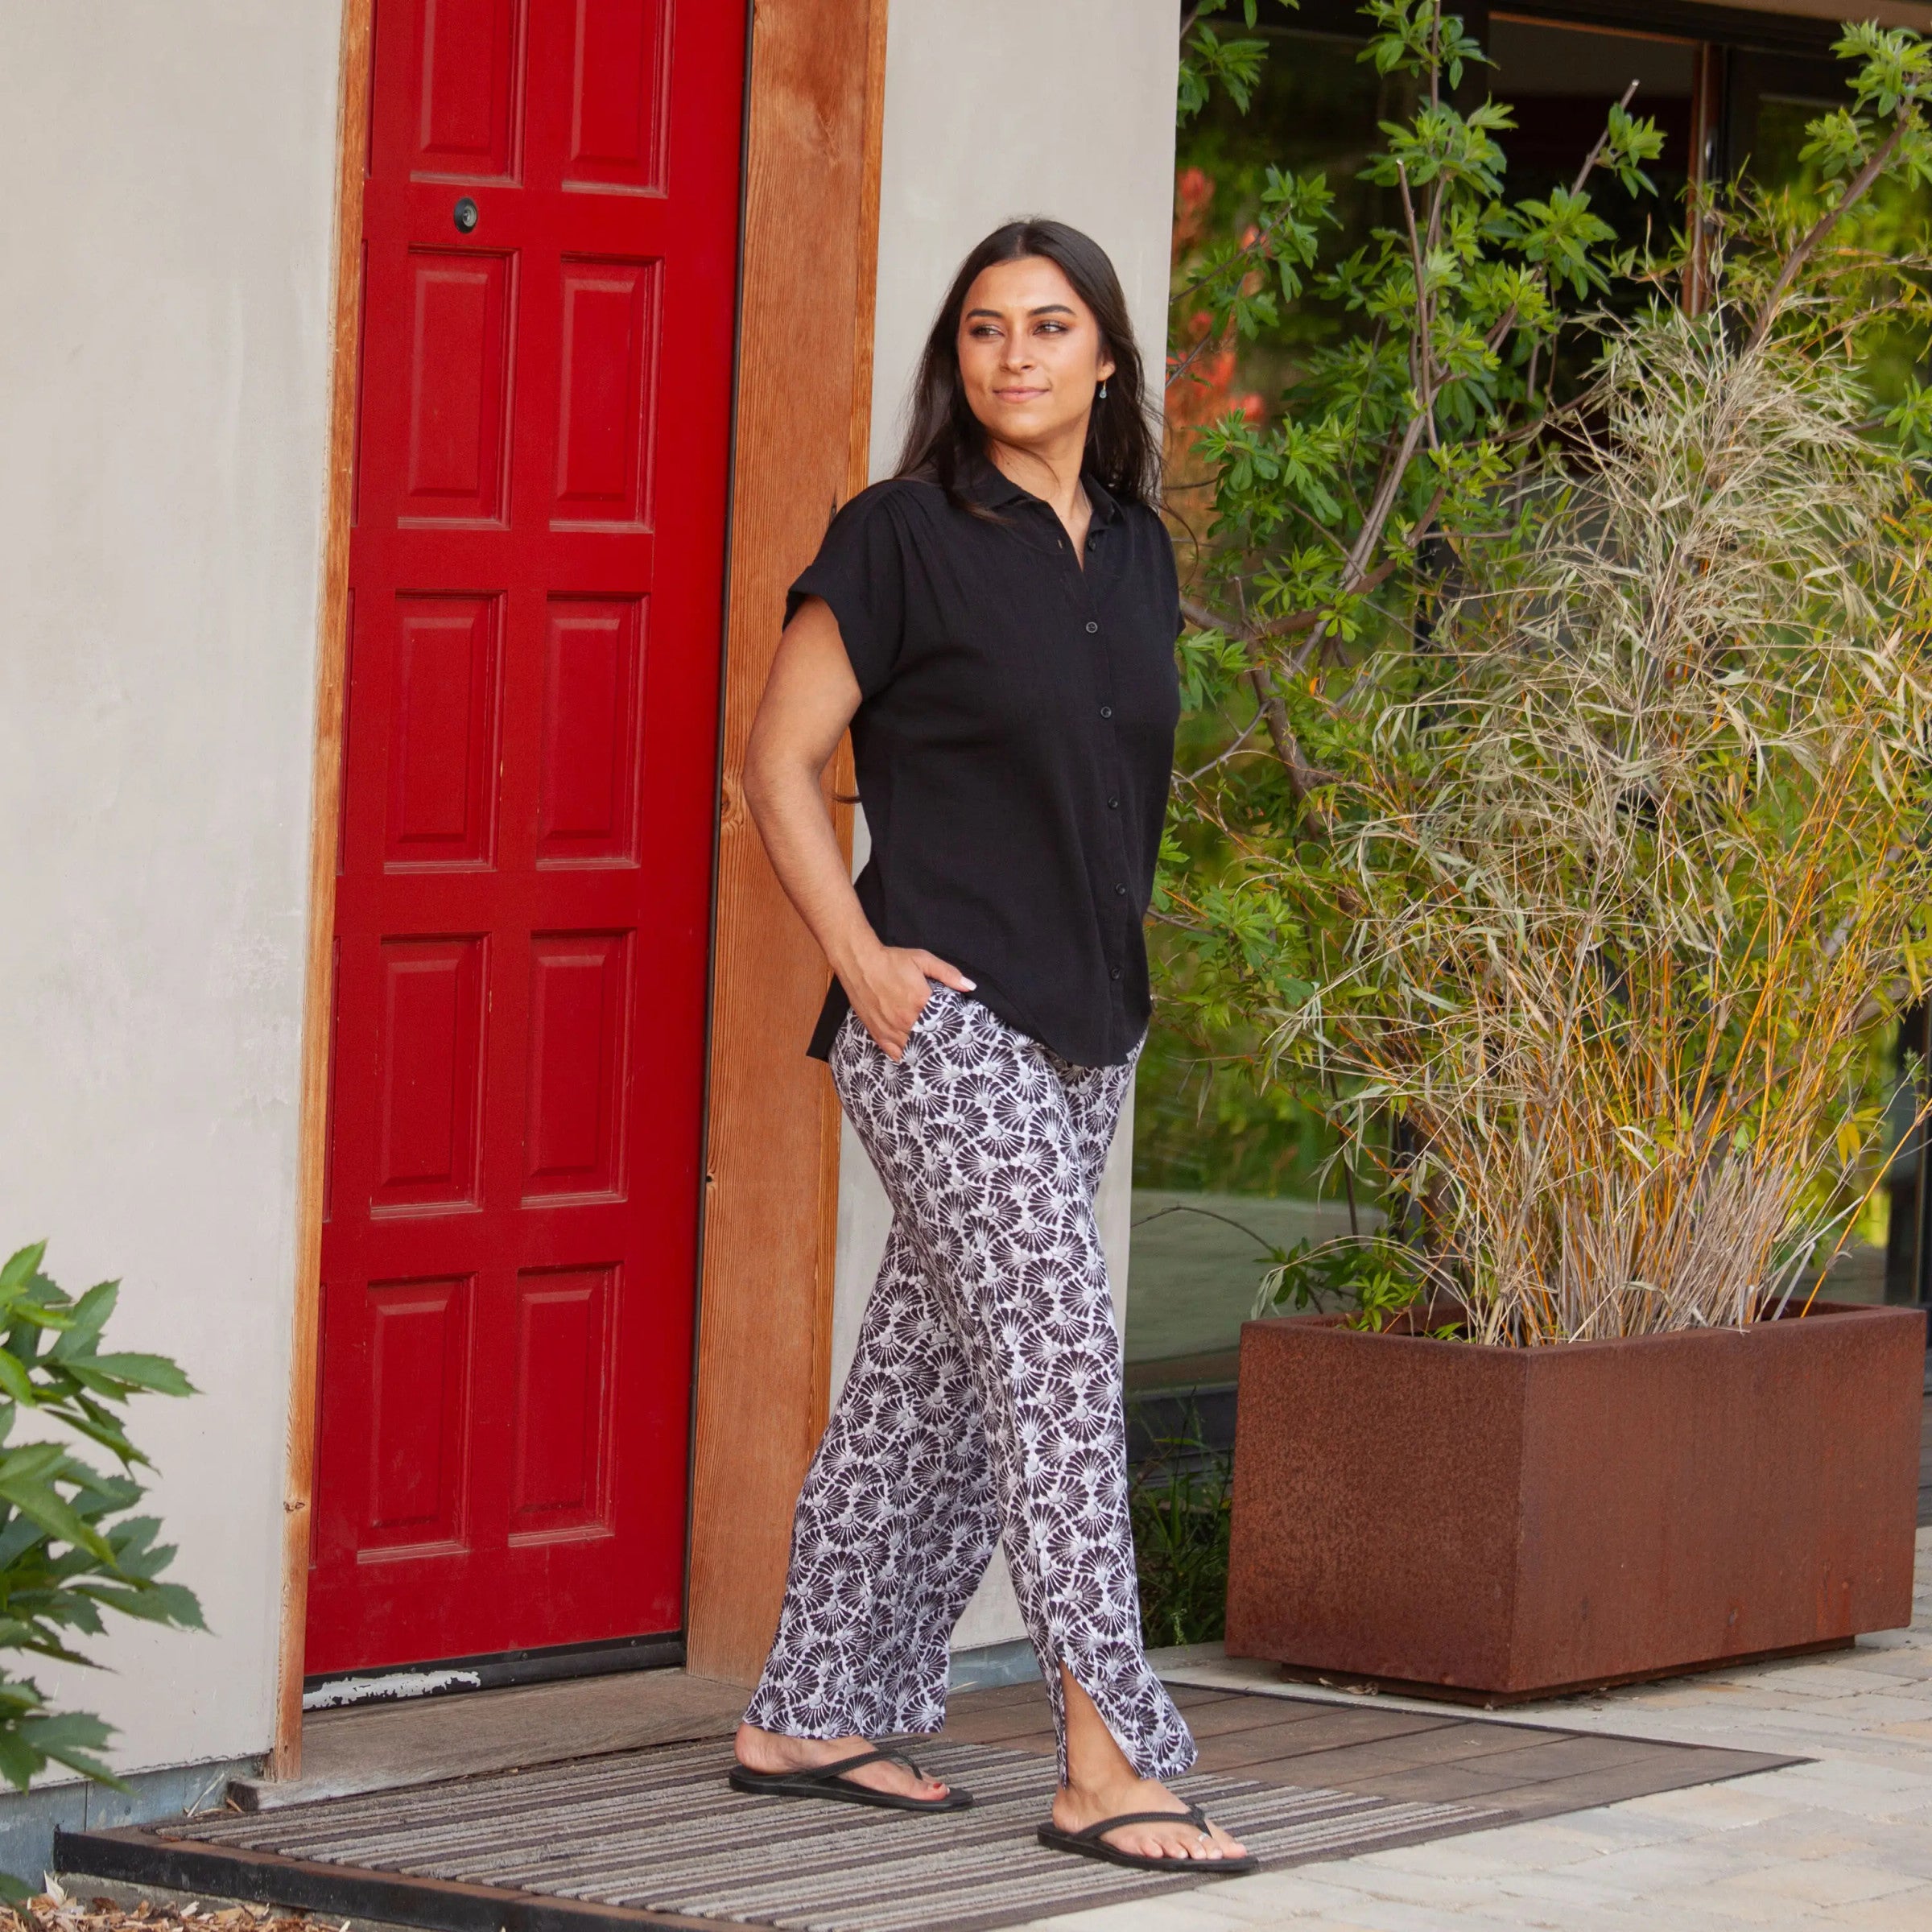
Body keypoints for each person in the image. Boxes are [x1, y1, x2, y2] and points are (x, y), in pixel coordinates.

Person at [728, 218, 1253, 1876]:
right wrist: (863, 963)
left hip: (1090, 1021)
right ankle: (1106, 1756)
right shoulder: (898, 535)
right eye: (983, 329)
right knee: (1060, 1364)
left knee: (934, 1380)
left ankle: (811, 1710)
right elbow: (776, 760)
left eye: (1049, 325)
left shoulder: (1139, 550)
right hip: (943, 1022)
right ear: (955, 361)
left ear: (1107, 358)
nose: (1015, 356)